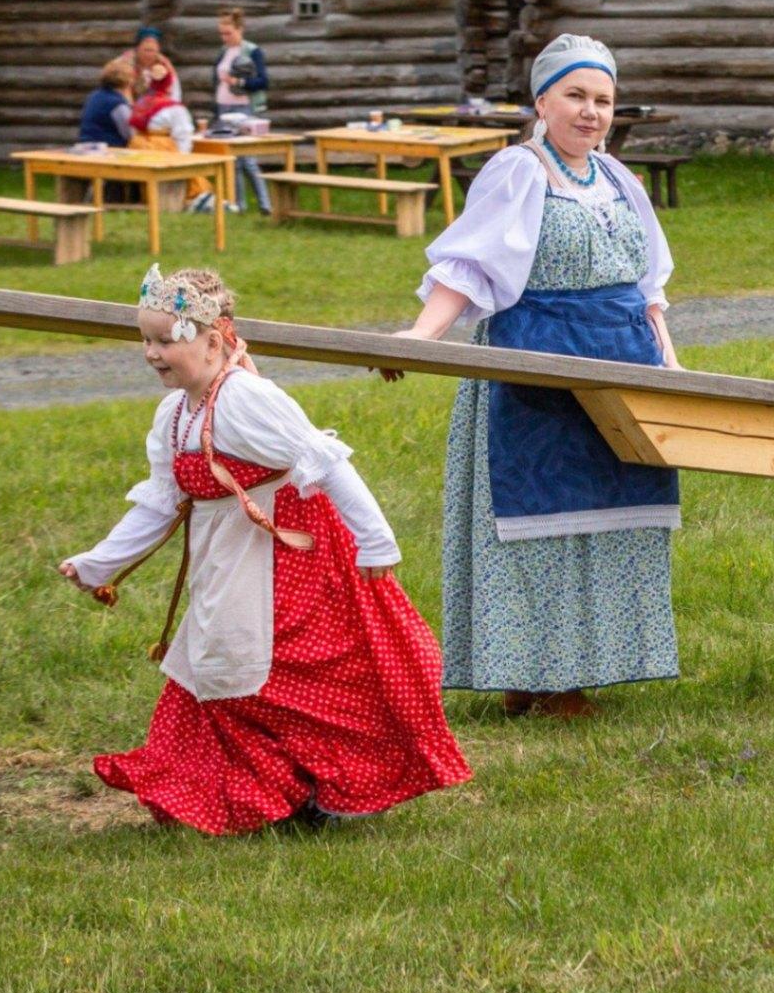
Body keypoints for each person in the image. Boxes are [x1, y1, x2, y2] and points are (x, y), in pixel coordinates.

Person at [59, 266, 470, 833]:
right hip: (226, 560)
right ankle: (257, 786)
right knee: (222, 670)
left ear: (213, 339)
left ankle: (317, 784)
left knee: (292, 672)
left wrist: (376, 541)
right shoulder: (174, 414)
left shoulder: (246, 400)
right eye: (145, 340)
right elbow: (161, 503)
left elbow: (327, 465)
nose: (152, 353)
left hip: (290, 555)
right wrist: (99, 562)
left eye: (165, 340)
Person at [402, 33, 681, 720]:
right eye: (576, 96)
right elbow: (469, 268)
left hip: (621, 365)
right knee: (540, 520)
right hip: (538, 370)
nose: (591, 113)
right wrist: (419, 338)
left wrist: (671, 364)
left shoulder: (620, 181)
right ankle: (541, 676)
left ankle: (565, 672)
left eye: (603, 100)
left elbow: (649, 288)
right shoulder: (518, 171)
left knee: (612, 518)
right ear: (542, 101)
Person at [211, 9, 273, 211]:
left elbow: (263, 81)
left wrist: (239, 81)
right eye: (222, 33)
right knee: (233, 159)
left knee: (247, 158)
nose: (225, 37)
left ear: (239, 30)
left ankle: (265, 204)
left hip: (243, 106)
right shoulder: (223, 51)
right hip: (224, 105)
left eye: (228, 33)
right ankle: (239, 204)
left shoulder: (252, 51)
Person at [126, 27, 193, 150]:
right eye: (146, 50)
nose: (149, 54)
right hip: (134, 116)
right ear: (138, 48)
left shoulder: (164, 66)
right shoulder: (126, 65)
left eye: (152, 50)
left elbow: (174, 91)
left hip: (161, 118)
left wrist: (169, 106)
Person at [76, 54, 136, 150]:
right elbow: (130, 134)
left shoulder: (95, 95)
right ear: (127, 82)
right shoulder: (117, 104)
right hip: (107, 151)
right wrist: (130, 103)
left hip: (84, 147)